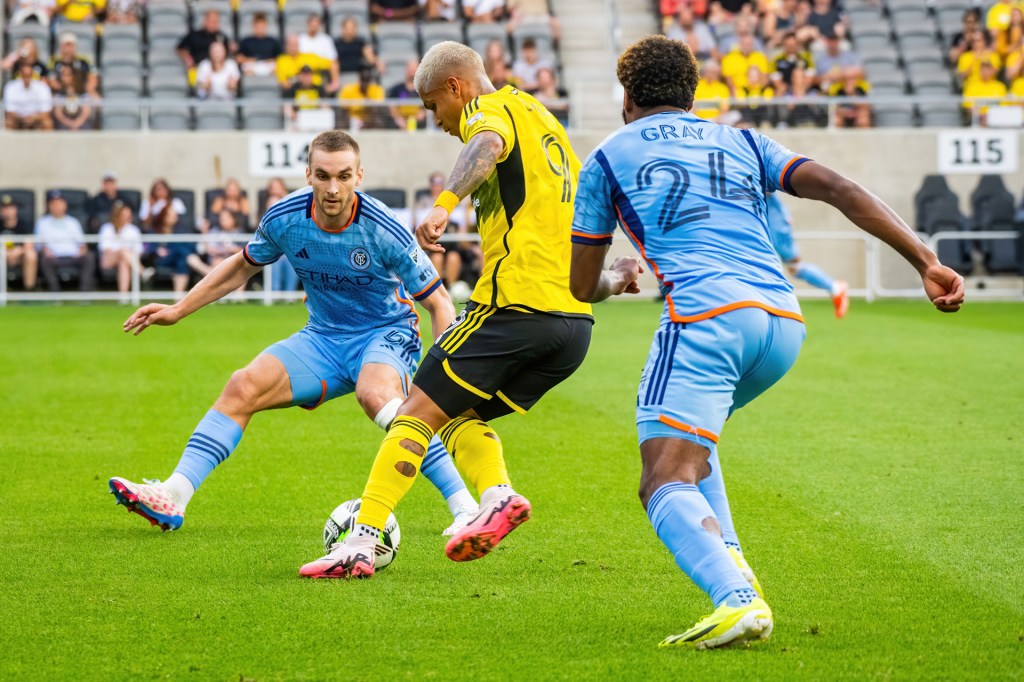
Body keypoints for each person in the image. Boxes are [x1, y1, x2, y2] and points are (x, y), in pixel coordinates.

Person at [567, 35, 964, 650]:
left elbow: (580, 284)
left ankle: (735, 599)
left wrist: (618, 278)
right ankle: (733, 563)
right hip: (782, 322)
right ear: (692, 95)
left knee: (662, 476)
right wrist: (925, 260)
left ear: (626, 97)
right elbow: (839, 187)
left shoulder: (606, 158)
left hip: (706, 317)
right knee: (695, 440)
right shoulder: (744, 141)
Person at [299, 41, 593, 579]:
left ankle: (359, 542)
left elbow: (486, 142)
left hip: (514, 305)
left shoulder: (490, 110)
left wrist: (443, 205)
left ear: (455, 87)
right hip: (573, 322)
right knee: (457, 413)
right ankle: (496, 495)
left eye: (434, 105)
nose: (436, 119)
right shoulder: (545, 121)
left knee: (413, 411)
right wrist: (609, 279)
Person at [111, 131, 478, 537]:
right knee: (242, 386)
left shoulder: (383, 227)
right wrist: (178, 309)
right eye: (323, 176)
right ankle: (174, 494)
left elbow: (439, 303)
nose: (333, 188)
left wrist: (442, 375)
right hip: (323, 336)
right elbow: (242, 266)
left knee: (376, 395)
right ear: (308, 174)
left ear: (359, 176)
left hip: (385, 332)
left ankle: (465, 507)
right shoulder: (285, 218)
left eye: (343, 176)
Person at [765, 192, 848, 315]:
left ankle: (835, 288)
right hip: (772, 220)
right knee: (791, 267)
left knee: (794, 266)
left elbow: (766, 188)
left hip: (775, 222)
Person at [36, 189, 95, 292]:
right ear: (49, 206)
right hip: (53, 257)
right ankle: (54, 291)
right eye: (54, 204)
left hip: (74, 256)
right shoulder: (42, 222)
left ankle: (84, 292)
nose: (57, 206)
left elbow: (82, 244)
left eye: (59, 203)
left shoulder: (73, 222)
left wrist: (82, 250)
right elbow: (38, 244)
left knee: (89, 257)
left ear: (65, 205)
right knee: (45, 259)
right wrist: (45, 250)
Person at [260, 178, 300, 293]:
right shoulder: (268, 204)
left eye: (278, 187)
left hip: (290, 248)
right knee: (274, 260)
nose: (275, 190)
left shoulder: (292, 203)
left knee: (292, 259)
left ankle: (289, 295)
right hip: (272, 248)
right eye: (273, 188)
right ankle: (275, 294)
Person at [98, 200, 142, 299]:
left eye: (128, 215)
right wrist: (122, 251)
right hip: (108, 260)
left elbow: (139, 250)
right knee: (122, 252)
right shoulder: (107, 228)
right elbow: (105, 249)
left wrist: (125, 253)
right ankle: (142, 271)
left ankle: (123, 297)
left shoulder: (134, 230)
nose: (127, 218)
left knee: (123, 261)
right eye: (124, 215)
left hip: (128, 259)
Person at [177, 10, 232, 76]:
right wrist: (187, 58)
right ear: (205, 21)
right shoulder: (194, 35)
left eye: (216, 21)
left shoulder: (221, 36)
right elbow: (180, 49)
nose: (214, 24)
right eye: (212, 21)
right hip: (197, 69)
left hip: (216, 70)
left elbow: (227, 53)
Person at [3, 59, 54, 130]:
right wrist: (23, 118)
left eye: (28, 75)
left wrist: (33, 118)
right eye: (24, 75)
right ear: (20, 75)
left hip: (36, 119)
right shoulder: (11, 87)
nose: (26, 78)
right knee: (9, 122)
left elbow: (46, 111)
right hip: (18, 119)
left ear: (32, 75)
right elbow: (9, 111)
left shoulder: (42, 87)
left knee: (47, 122)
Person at [1, 194, 38, 290]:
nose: (7, 211)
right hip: (2, 255)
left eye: (10, 208)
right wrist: (6, 253)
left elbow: (29, 245)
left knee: (31, 255)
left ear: (15, 209)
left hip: (20, 256)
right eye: (4, 208)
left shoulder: (25, 224)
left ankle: (29, 290)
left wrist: (16, 252)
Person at [48, 32, 98, 97]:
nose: (68, 49)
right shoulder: (54, 61)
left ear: (75, 47)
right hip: (60, 93)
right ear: (60, 47)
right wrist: (65, 90)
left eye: (70, 45)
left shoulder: (84, 61)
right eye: (65, 45)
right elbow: (51, 80)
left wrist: (87, 89)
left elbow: (93, 77)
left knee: (94, 96)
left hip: (82, 92)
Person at [237, 12, 283, 77]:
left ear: (266, 25)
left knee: (276, 67)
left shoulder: (272, 41)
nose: (259, 28)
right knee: (247, 68)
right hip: (252, 65)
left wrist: (272, 60)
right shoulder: (246, 41)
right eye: (257, 26)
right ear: (253, 26)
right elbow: (238, 58)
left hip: (268, 65)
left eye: (262, 26)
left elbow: (281, 57)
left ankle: (272, 83)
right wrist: (247, 59)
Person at [52, 64, 94, 130]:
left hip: (81, 124)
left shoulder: (82, 93)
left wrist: (77, 123)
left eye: (67, 75)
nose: (64, 78)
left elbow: (86, 112)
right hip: (64, 124)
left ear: (73, 76)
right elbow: (58, 113)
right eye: (63, 75)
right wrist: (69, 123)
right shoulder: (59, 95)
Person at [388, 59, 427, 130]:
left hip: (418, 125)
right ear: (406, 70)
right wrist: (399, 119)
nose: (411, 71)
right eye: (410, 69)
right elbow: (391, 107)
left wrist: (422, 114)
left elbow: (428, 106)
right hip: (399, 125)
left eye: (414, 69)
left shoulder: (424, 90)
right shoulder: (396, 89)